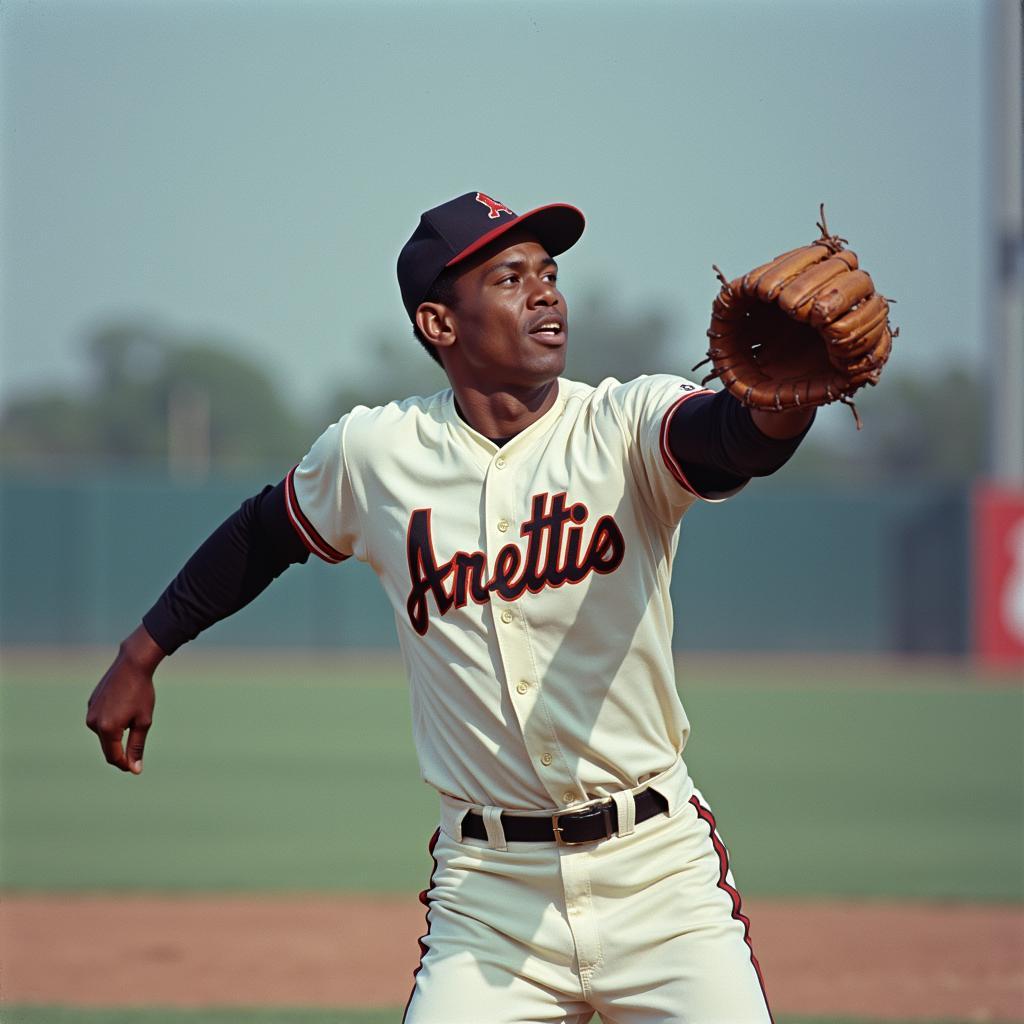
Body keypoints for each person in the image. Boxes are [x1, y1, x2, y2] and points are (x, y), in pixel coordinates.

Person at [88, 191, 817, 1023]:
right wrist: (141, 653)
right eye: (511, 277)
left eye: (549, 274)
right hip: (491, 900)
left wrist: (778, 405)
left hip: (658, 877)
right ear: (439, 324)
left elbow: (729, 440)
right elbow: (263, 532)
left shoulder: (625, 421)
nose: (546, 293)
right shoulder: (377, 453)